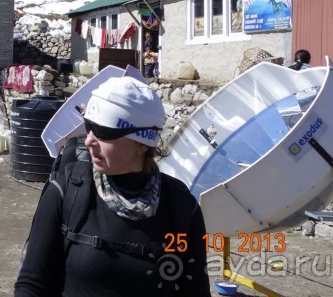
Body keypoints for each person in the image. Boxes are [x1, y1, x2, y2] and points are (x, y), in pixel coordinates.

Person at [15, 77, 210, 296]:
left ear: (142, 143)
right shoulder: (67, 190)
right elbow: (31, 284)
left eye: (103, 132)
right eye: (89, 127)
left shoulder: (181, 207)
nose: (88, 141)